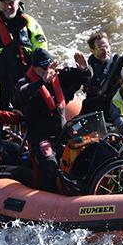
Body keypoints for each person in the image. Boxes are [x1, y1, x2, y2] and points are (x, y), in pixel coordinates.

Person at [15, 48, 89, 192]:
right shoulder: (24, 82)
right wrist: (42, 81)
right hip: (41, 136)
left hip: (62, 132)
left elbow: (85, 79)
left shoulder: (60, 75)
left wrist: (85, 69)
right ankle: (47, 196)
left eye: (50, 65)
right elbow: (22, 94)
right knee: (49, 164)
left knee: (87, 153)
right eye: (44, 67)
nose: (49, 70)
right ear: (35, 68)